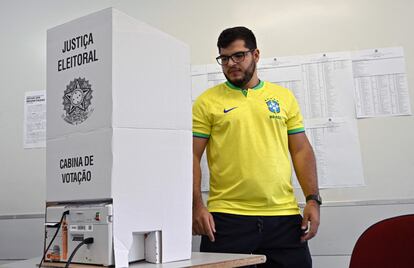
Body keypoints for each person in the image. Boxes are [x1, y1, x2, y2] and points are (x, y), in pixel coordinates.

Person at [192, 26, 321, 268]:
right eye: (224, 58)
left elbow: (301, 150)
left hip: (283, 218)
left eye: (239, 55)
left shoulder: (283, 97)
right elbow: (191, 155)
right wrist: (197, 206)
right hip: (226, 219)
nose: (231, 63)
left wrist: (313, 199)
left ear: (256, 55)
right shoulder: (206, 102)